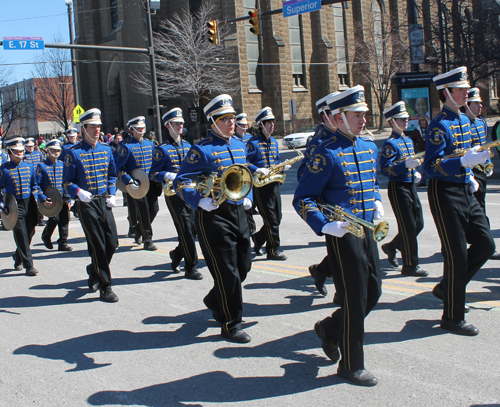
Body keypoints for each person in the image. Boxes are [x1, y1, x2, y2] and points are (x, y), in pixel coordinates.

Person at [293, 85, 384, 386]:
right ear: (339, 117)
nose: (364, 120)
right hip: (342, 233)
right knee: (356, 299)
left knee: (374, 292)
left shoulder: (368, 146)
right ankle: (351, 365)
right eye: (357, 115)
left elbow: (369, 182)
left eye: (364, 115)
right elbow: (302, 198)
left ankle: (330, 328)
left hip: (367, 229)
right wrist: (323, 225)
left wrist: (377, 202)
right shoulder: (325, 153)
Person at [174, 94, 253, 343]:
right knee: (228, 273)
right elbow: (181, 181)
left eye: (232, 118)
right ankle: (231, 324)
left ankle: (213, 298)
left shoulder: (240, 145)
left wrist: (246, 196)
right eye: (225, 119)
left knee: (244, 266)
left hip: (238, 212)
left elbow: (244, 175)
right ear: (213, 121)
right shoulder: (202, 149)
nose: (231, 123)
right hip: (214, 216)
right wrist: (199, 201)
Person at [424, 67, 495, 335]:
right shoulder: (438, 124)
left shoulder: (464, 120)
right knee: (456, 254)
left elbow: (465, 152)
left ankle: (447, 287)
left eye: (466, 88)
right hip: (444, 192)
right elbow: (432, 165)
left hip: (465, 187)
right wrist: (463, 162)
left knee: (486, 244)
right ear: (446, 93)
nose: (466, 92)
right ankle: (452, 317)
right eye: (461, 89)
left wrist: (471, 169)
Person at [63, 108, 120, 303]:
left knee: (112, 242)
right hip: (86, 204)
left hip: (103, 200)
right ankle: (106, 287)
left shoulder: (106, 149)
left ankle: (94, 269)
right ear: (83, 129)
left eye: (98, 127)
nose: (97, 130)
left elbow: (112, 175)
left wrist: (112, 193)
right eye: (92, 127)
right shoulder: (74, 153)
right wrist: (78, 192)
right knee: (97, 244)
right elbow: (67, 183)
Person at [150, 108, 202, 280]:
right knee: (185, 229)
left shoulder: (188, 146)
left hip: (190, 191)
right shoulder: (162, 150)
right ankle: (190, 266)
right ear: (168, 125)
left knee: (193, 229)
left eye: (181, 123)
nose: (180, 126)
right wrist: (166, 175)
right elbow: (152, 174)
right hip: (173, 195)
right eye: (177, 123)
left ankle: (177, 254)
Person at [299, 92, 340, 297]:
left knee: (342, 252)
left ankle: (320, 271)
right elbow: (304, 174)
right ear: (325, 115)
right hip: (331, 207)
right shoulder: (319, 142)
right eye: (336, 113)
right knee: (340, 252)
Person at [379, 101, 427, 277]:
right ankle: (410, 265)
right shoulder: (391, 143)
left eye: (406, 119)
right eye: (401, 119)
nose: (405, 122)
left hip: (409, 185)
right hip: (398, 187)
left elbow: (411, 162)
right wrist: (405, 166)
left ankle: (391, 247)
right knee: (407, 226)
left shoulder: (407, 139)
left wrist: (414, 171)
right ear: (392, 122)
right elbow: (385, 168)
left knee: (418, 224)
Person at [246, 107, 289, 260]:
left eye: (273, 122)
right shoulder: (253, 143)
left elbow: (275, 160)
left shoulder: (274, 142)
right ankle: (273, 250)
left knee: (278, 217)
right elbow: (245, 163)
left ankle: (258, 238)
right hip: (261, 186)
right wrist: (257, 169)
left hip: (274, 184)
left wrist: (282, 166)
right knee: (270, 219)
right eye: (268, 122)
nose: (272, 125)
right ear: (261, 125)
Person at [113, 116, 158, 251]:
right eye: (138, 128)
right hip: (136, 185)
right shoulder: (125, 146)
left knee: (154, 209)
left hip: (150, 183)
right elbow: (118, 168)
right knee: (143, 211)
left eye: (142, 128)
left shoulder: (149, 144)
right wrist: (128, 180)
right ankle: (147, 239)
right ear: (131, 130)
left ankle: (138, 229)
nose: (141, 131)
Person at [0, 136, 40, 276]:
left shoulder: (29, 166)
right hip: (14, 206)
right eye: (16, 151)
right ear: (10, 152)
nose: (20, 154)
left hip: (29, 204)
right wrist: (1, 204)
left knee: (30, 233)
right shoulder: (4, 170)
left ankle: (18, 256)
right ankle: (29, 265)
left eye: (21, 151)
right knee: (21, 235)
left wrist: (41, 197)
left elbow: (34, 185)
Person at [36, 139, 73, 252]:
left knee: (64, 219)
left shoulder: (63, 165)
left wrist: (69, 198)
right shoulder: (42, 166)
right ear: (48, 151)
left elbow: (67, 182)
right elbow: (37, 185)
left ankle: (63, 242)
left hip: (62, 197)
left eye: (57, 150)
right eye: (53, 150)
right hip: (50, 198)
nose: (56, 153)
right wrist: (42, 198)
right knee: (54, 219)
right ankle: (46, 236)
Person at [24, 137, 45, 226]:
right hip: (29, 180)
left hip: (38, 179)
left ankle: (40, 218)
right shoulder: (24, 155)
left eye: (32, 146)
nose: (30, 148)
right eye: (28, 146)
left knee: (40, 199)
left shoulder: (38, 154)